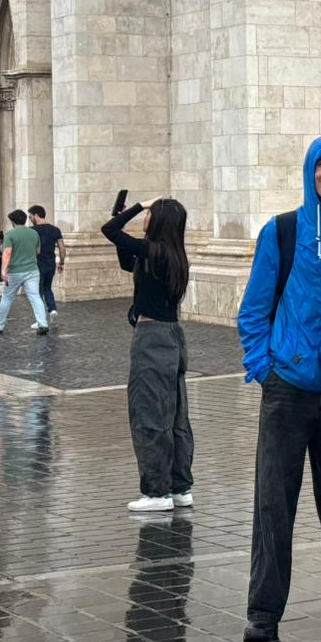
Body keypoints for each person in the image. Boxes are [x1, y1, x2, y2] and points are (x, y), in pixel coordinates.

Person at [235, 136, 321, 642]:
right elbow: (253, 309)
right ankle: (264, 610)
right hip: (287, 391)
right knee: (274, 505)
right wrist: (264, 367)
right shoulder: (283, 230)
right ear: (310, 171)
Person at [102, 195, 192, 512]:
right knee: (176, 416)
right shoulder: (172, 254)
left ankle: (156, 493)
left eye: (150, 213)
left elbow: (109, 230)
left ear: (159, 221)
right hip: (172, 337)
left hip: (152, 339)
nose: (145, 217)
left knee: (149, 414)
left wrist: (136, 206)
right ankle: (180, 488)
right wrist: (126, 214)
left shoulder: (154, 251)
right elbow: (127, 260)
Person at [0, 210, 48, 336]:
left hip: (14, 272)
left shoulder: (10, 234)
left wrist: (3, 271)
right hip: (32, 270)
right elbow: (38, 251)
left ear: (13, 221)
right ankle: (43, 324)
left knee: (7, 298)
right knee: (35, 297)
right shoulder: (34, 233)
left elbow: (7, 253)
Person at [28, 205, 65, 318]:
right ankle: (52, 309)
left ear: (36, 215)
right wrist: (61, 263)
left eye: (30, 217)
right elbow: (62, 248)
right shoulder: (55, 230)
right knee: (47, 288)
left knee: (37, 291)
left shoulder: (32, 231)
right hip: (51, 263)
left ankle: (40, 318)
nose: (30, 219)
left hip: (37, 264)